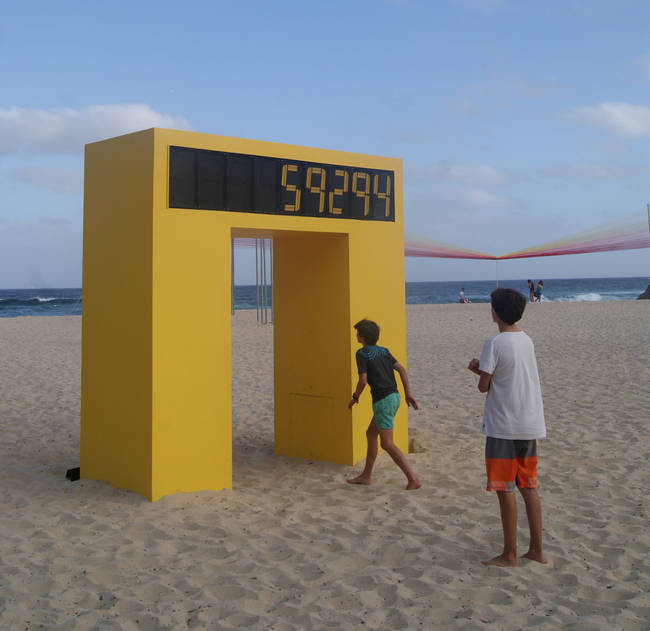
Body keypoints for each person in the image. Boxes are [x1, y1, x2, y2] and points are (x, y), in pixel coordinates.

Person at [467, 288, 547, 567]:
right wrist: (485, 372)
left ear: (496, 312)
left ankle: (510, 554)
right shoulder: (527, 340)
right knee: (529, 486)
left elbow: (484, 387)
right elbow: (508, 375)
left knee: (505, 488)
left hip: (503, 425)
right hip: (530, 422)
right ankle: (537, 549)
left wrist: (478, 371)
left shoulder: (495, 342)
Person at [347, 319, 421, 490]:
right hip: (394, 397)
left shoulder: (362, 353)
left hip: (382, 401)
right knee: (371, 433)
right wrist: (407, 394)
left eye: (358, 333)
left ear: (363, 337)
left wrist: (355, 397)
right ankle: (366, 476)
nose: (356, 335)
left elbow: (363, 381)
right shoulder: (384, 351)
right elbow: (401, 369)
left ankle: (413, 479)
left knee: (387, 443)